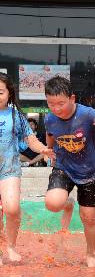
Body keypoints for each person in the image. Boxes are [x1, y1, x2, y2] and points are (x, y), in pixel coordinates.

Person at [42, 76, 95, 267]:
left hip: (88, 172)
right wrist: (49, 149)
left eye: (60, 103)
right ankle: (67, 202)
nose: (56, 108)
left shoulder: (86, 114)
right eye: (51, 103)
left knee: (89, 217)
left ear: (72, 98)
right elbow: (50, 134)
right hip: (64, 167)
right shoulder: (50, 118)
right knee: (53, 204)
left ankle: (91, 255)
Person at [0, 73, 54, 263]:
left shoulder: (16, 115)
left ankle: (11, 246)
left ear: (9, 94)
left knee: (12, 208)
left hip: (9, 169)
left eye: (0, 92)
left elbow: (30, 139)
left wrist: (43, 149)